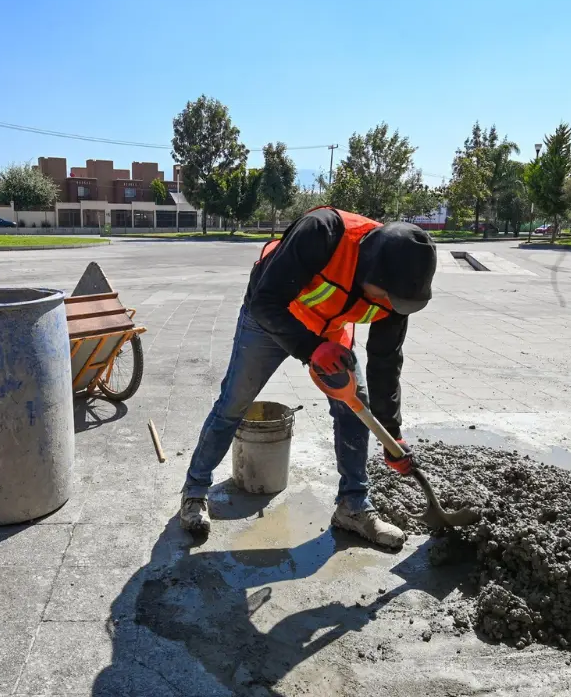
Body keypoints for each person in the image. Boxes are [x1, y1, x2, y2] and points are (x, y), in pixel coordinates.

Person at [179, 206, 438, 549]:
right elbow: (265, 301)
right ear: (372, 268)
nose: (387, 305)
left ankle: (353, 506)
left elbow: (385, 362)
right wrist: (310, 347)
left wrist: (392, 432)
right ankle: (195, 491)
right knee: (233, 404)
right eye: (384, 296)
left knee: (354, 409)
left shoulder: (397, 289)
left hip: (329, 330)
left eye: (396, 302)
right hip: (270, 319)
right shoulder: (324, 232)